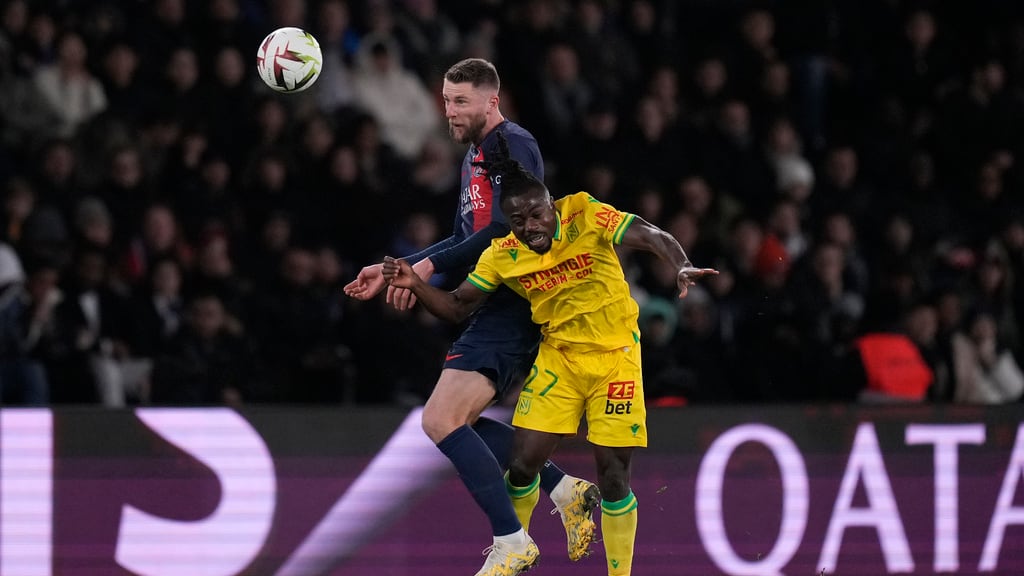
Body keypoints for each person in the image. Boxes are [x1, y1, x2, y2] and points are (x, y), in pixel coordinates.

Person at [381, 132, 718, 576]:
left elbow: (649, 233)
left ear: (552, 205)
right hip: (559, 358)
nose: (531, 226)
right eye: (518, 220)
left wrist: (679, 263)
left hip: (615, 357)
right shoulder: (503, 253)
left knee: (613, 475)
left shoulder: (583, 212)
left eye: (537, 214)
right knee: (522, 466)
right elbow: (459, 305)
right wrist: (419, 284)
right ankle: (515, 553)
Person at [343, 58, 599, 574]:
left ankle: (512, 539)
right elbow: (465, 239)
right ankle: (566, 490)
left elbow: (511, 229)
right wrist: (397, 267)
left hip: (513, 304)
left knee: (440, 419)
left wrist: (430, 267)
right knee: (455, 421)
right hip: (496, 302)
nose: (449, 112)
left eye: (460, 101)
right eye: (445, 100)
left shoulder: (511, 146)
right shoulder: (478, 155)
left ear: (491, 101)